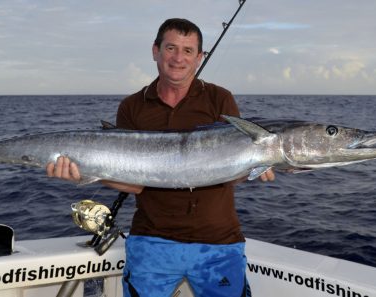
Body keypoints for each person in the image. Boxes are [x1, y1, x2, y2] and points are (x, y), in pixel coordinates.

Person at [47, 18, 275, 297]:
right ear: (156, 51)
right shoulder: (132, 106)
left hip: (218, 243)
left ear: (199, 57)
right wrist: (86, 173)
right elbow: (135, 184)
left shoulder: (219, 99)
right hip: (151, 242)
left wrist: (257, 166)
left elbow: (227, 171)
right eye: (171, 48)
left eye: (188, 51)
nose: (178, 58)